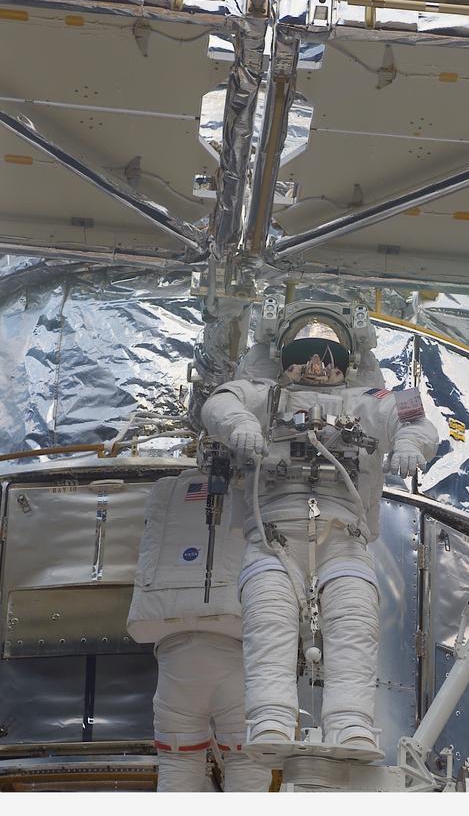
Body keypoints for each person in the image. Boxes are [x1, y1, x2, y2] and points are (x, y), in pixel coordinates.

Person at [201, 302, 438, 754]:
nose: (315, 365)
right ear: (283, 355)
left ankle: (351, 723)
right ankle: (270, 719)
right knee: (269, 622)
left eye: (327, 355)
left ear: (347, 361)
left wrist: (409, 443)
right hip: (273, 536)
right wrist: (239, 424)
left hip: (343, 535)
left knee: (353, 622)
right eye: (305, 352)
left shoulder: (371, 399)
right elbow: (219, 403)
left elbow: (415, 421)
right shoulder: (257, 392)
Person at [127, 471, 272, 792]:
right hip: (235, 662)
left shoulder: (169, 494)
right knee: (247, 765)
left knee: (178, 767)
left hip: (175, 668)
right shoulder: (251, 485)